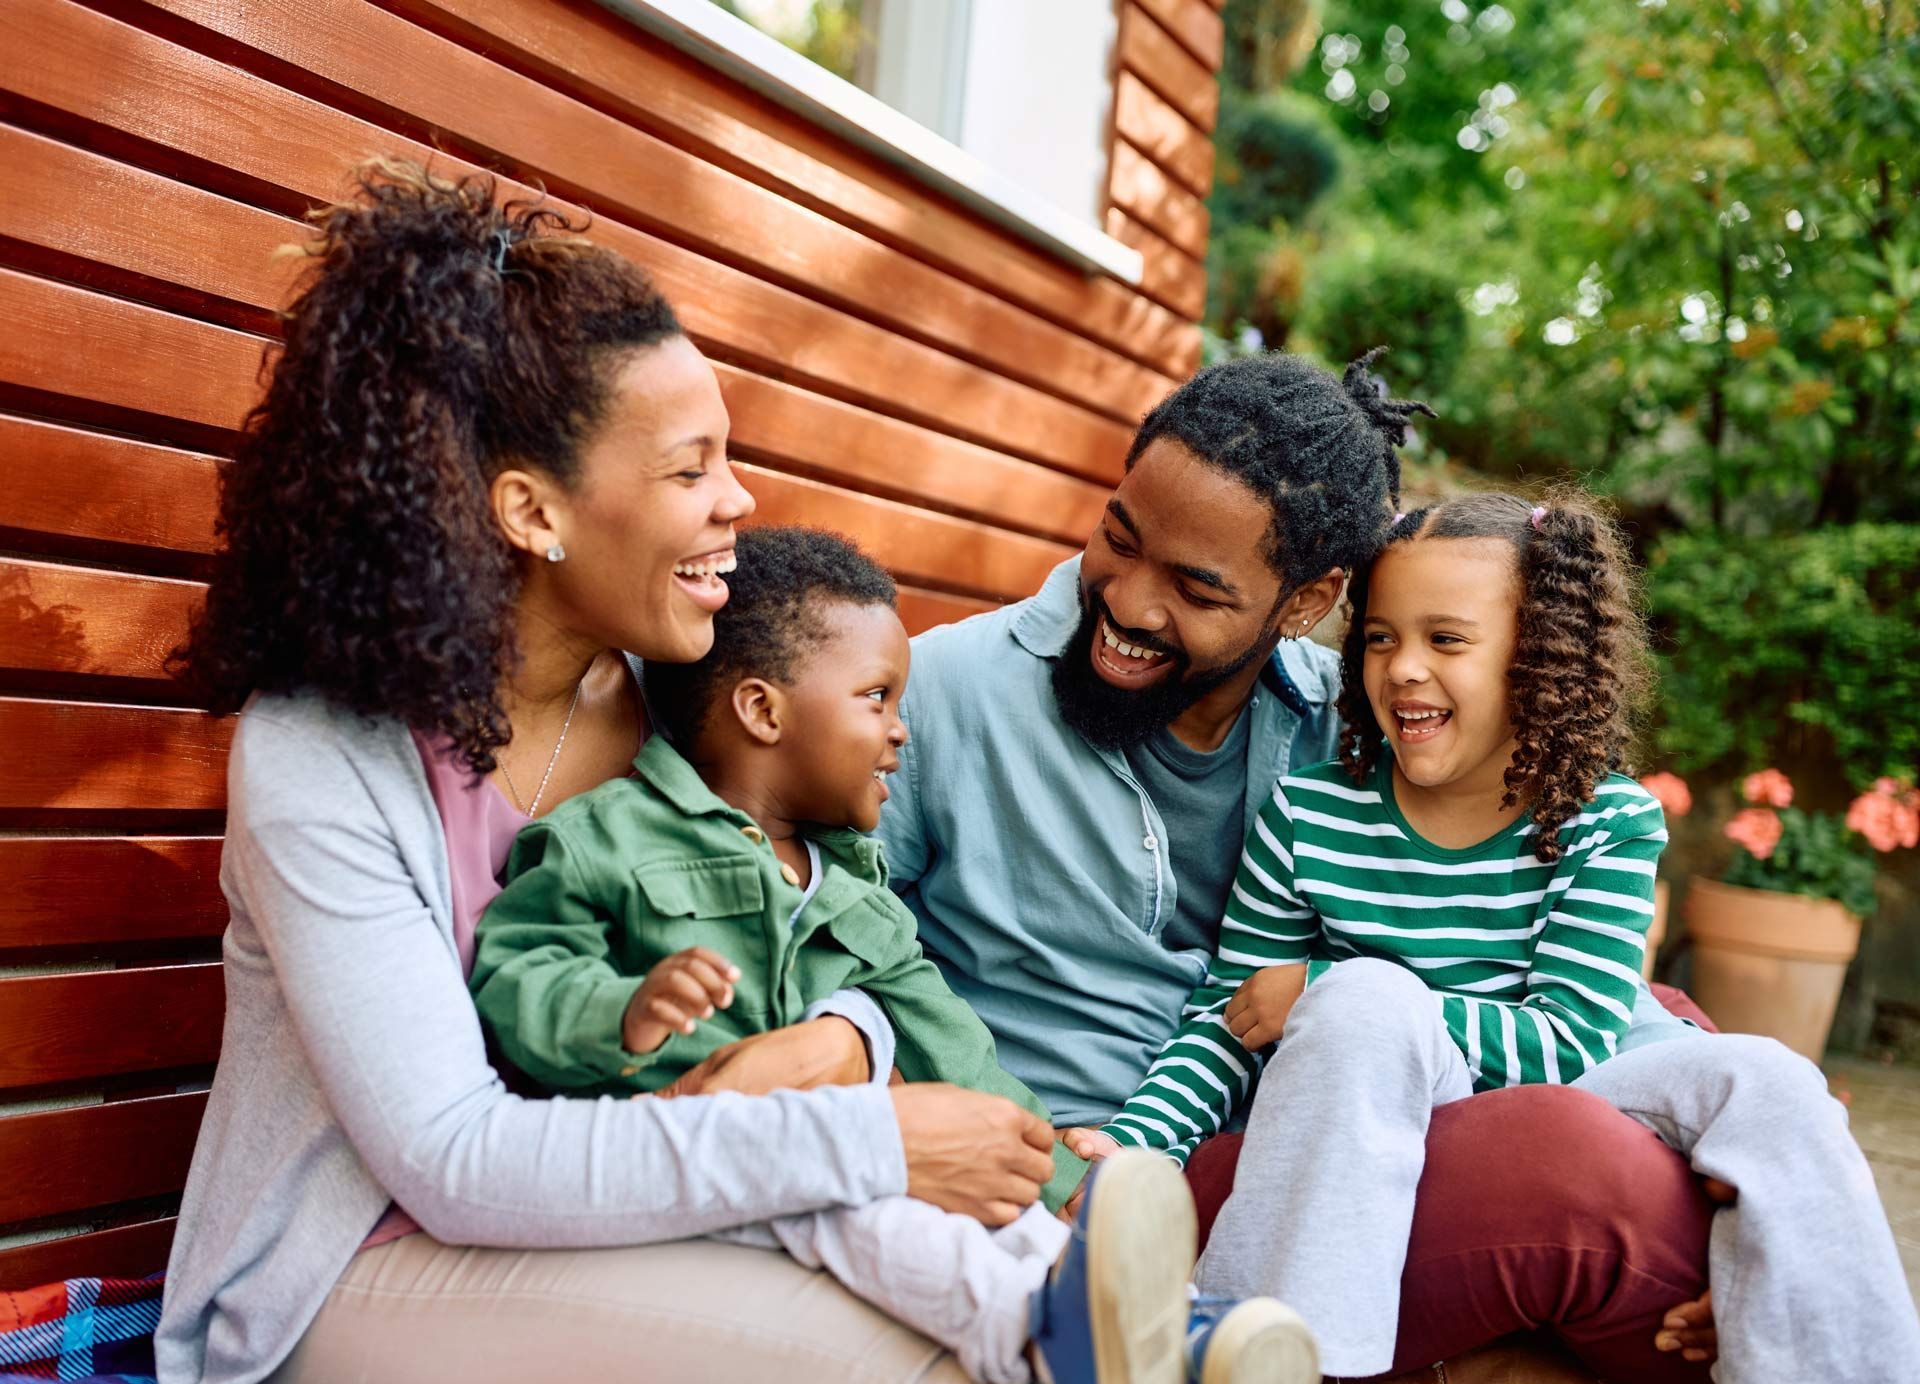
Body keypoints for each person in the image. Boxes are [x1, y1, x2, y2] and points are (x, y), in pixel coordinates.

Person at [157, 161, 1078, 1384]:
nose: (736, 501)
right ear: (534, 512)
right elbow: (456, 1160)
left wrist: (847, 1041)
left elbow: (834, 933)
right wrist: (856, 1137)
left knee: (997, 1309)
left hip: (650, 1213)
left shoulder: (680, 711)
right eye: (689, 469)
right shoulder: (327, 756)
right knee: (912, 1360)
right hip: (354, 1266)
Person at [878, 354, 1732, 1381]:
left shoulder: (1368, 719)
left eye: (1197, 588)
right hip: (1102, 1162)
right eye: (1118, 536)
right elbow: (843, 955)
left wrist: (1708, 1120)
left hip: (1332, 1146)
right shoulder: (943, 694)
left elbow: (1550, 951)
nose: (1131, 604)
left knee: (1668, 1191)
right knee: (1593, 1186)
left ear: (1306, 599)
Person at [1083, 490, 1920, 1382]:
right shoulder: (1311, 814)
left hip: (1574, 1063)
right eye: (1380, 637)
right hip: (1377, 1082)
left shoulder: (1606, 819)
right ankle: (1284, 1353)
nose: (1402, 668)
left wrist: (1315, 986)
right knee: (1366, 997)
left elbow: (1576, 1043)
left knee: (1778, 1082)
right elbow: (1229, 1016)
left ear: (1540, 660)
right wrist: (1136, 1144)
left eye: (1446, 640)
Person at [469, 525, 1279, 1384]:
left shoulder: (857, 892)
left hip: (838, 1150)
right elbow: (516, 972)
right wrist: (618, 1012)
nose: (901, 731)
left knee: (991, 1205)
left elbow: (951, 1043)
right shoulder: (608, 836)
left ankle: (1183, 1330)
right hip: (699, 1169)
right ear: (763, 711)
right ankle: (1051, 1339)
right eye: (877, 700)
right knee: (886, 1225)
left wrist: (1065, 1175)